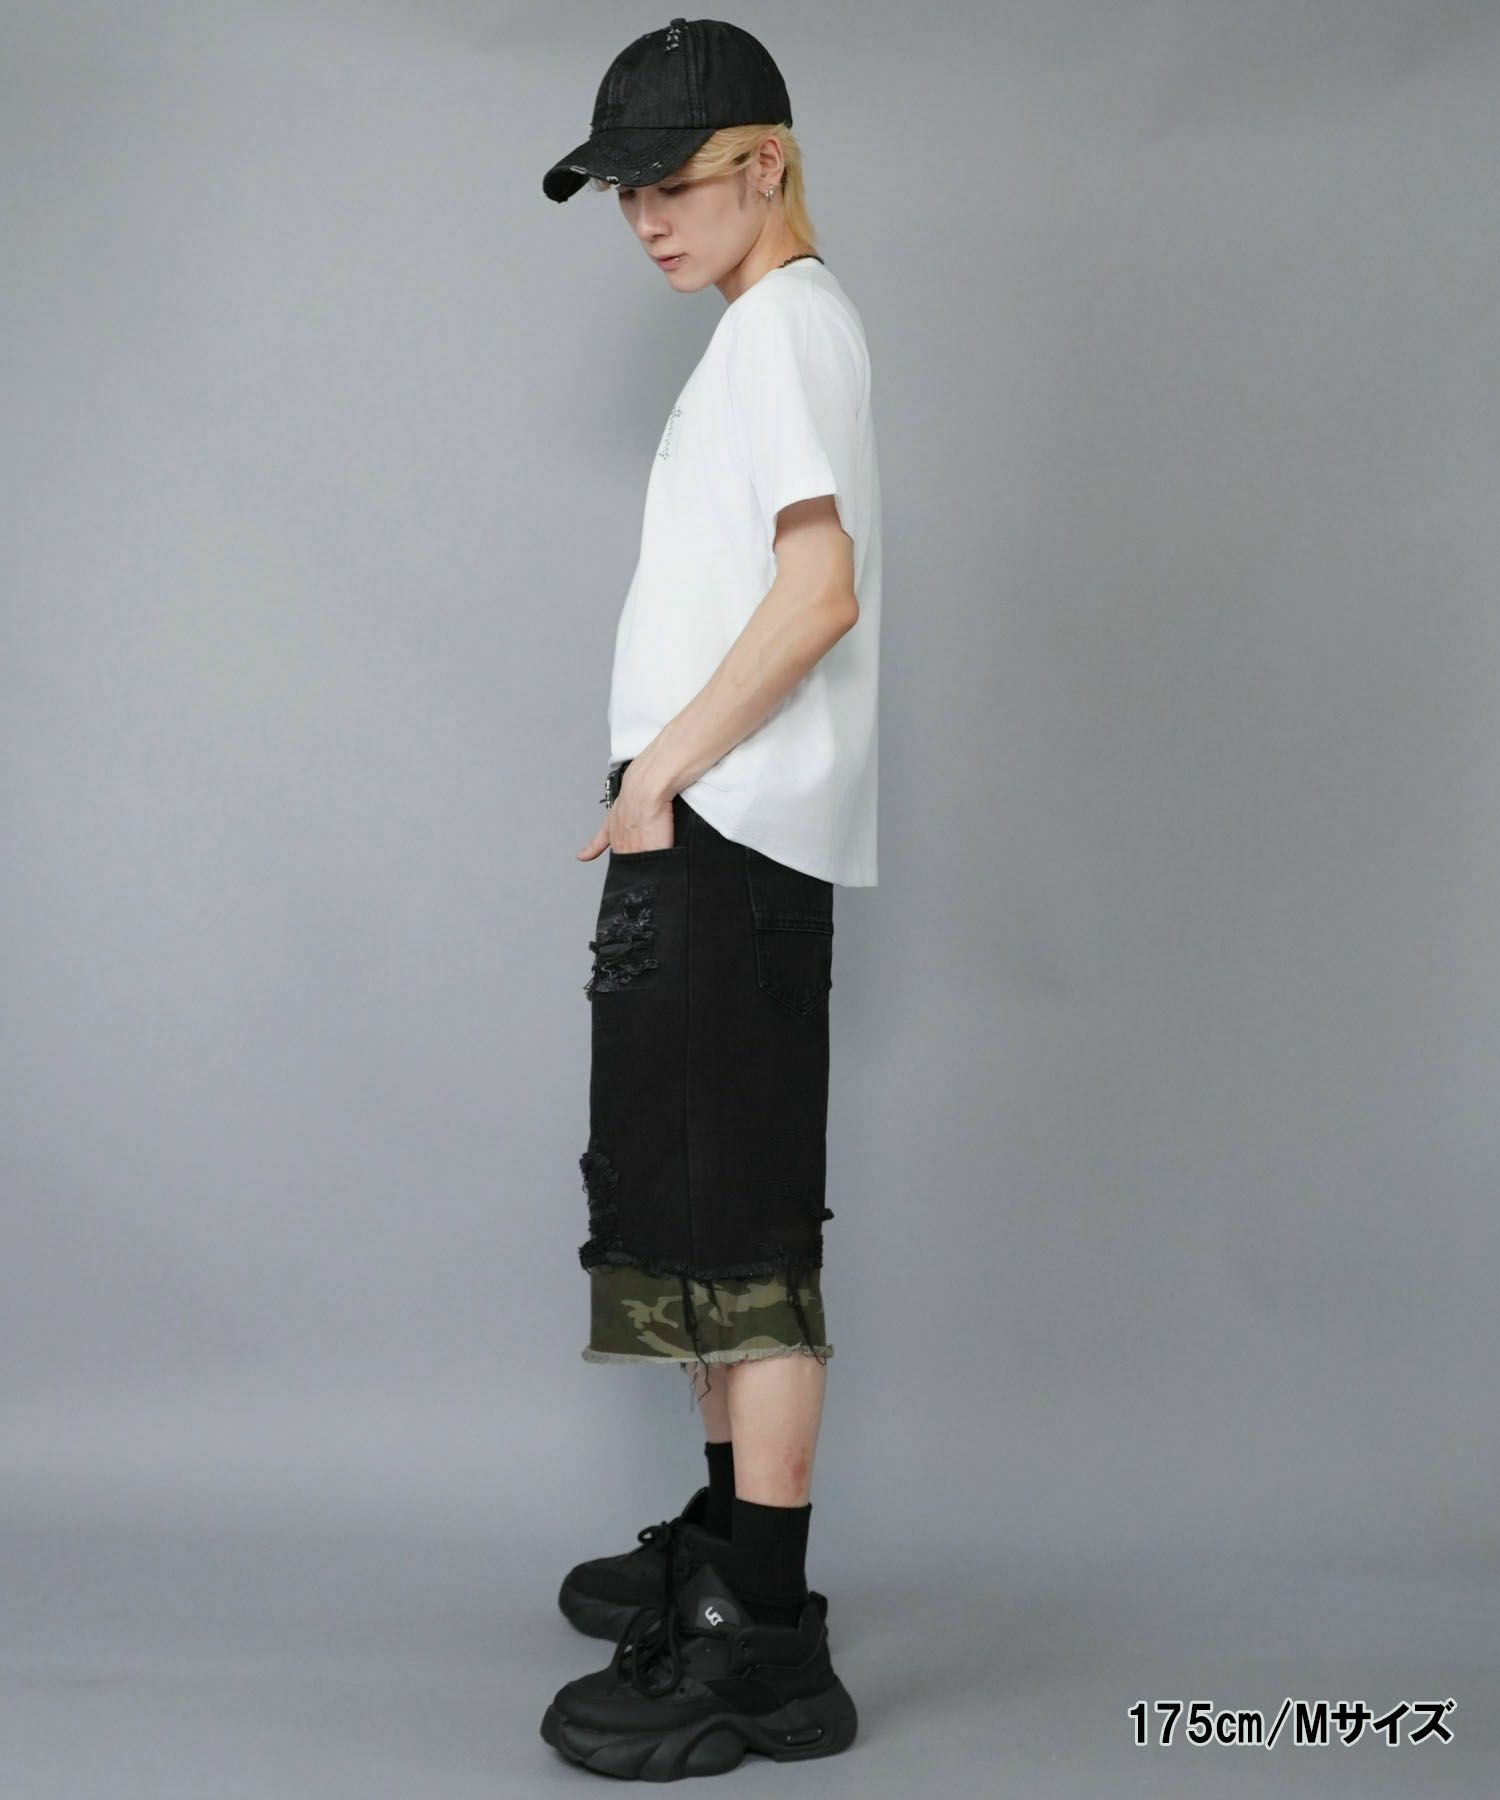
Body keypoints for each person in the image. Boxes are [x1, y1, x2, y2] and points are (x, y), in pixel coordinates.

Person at [538, 17, 881, 1779]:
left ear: (766, 162)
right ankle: (730, 1550)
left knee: (739, 1238)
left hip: (729, 833)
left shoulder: (788, 328)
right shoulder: (759, 332)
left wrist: (659, 772)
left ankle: (767, 1642)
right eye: (624, 196)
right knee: (689, 1220)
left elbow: (819, 591)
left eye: (670, 183)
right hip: (708, 832)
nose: (647, 221)